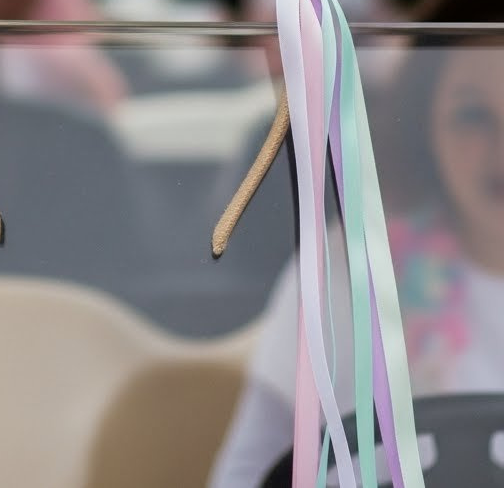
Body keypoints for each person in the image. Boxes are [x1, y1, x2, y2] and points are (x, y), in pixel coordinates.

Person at [209, 39, 504, 487]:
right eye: (472, 116)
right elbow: (247, 474)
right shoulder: (348, 271)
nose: (501, 145)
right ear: (426, 130)